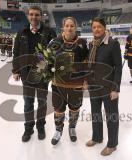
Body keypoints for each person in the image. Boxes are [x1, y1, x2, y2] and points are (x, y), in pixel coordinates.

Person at [12, 6, 56, 142]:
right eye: (31, 14)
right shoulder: (22, 32)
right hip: (26, 74)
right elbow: (16, 52)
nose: (34, 17)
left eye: (37, 15)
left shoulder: (49, 32)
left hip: (42, 75)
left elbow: (55, 53)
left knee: (42, 102)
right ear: (28, 16)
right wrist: (16, 70)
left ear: (41, 16)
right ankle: (28, 127)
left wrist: (52, 71)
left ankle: (41, 126)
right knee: (28, 103)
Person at [85, 17, 122, 156]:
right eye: (94, 27)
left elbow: (118, 67)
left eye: (99, 27)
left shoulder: (112, 44)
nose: (96, 29)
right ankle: (97, 137)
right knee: (95, 113)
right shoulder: (92, 44)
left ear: (104, 28)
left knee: (111, 115)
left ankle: (112, 144)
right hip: (94, 86)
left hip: (108, 87)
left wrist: (115, 88)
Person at [49, 17, 88, 145]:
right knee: (59, 108)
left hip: (76, 84)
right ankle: (58, 130)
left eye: (72, 26)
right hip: (58, 84)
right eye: (67, 26)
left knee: (75, 108)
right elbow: (45, 58)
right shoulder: (55, 42)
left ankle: (72, 128)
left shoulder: (82, 43)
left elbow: (88, 63)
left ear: (75, 28)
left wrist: (86, 80)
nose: (69, 28)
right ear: (63, 27)